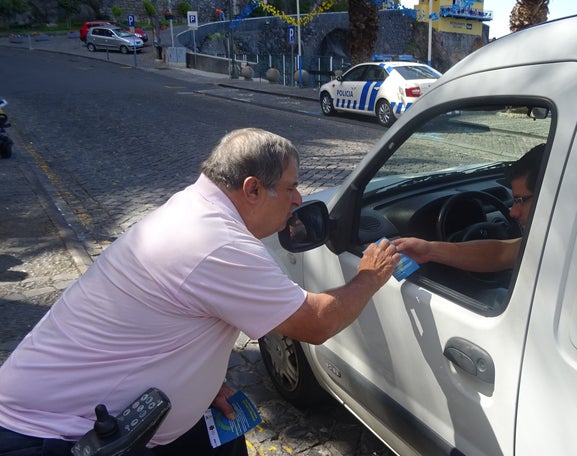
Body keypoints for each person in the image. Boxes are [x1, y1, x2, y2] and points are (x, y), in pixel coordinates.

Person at [0, 128, 400, 456]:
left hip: (131, 418)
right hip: (56, 434)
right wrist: (369, 275)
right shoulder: (217, 244)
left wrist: (201, 385)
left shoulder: (193, 208)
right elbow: (316, 322)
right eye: (291, 187)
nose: (299, 199)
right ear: (253, 190)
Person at [393, 143, 546, 273]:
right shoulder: (545, 242)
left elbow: (503, 254)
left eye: (520, 200)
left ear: (548, 195)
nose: (512, 212)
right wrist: (429, 250)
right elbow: (501, 254)